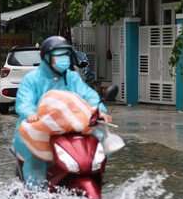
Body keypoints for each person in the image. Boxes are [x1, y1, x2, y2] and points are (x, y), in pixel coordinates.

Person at [12, 36, 112, 189]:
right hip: (39, 128)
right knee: (35, 158)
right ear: (46, 57)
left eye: (65, 55)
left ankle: (95, 174)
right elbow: (24, 102)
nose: (63, 59)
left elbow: (88, 95)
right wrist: (31, 113)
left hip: (70, 127)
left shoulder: (72, 78)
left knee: (99, 137)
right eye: (58, 55)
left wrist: (99, 111)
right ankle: (34, 192)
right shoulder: (32, 79)